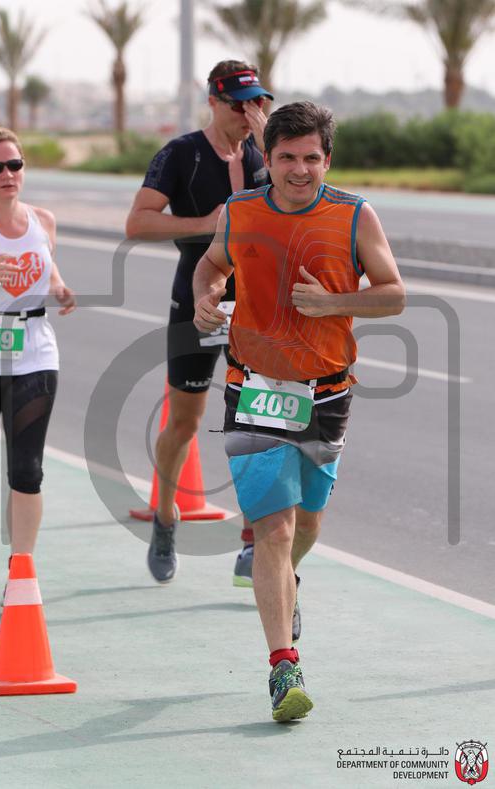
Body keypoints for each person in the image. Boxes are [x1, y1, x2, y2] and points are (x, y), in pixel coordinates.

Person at [193, 101, 406, 721]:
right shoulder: (240, 212)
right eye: (286, 156)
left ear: (327, 160)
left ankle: (286, 583)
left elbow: (393, 294)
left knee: (307, 525)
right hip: (254, 386)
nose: (299, 169)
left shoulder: (354, 215)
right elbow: (211, 265)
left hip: (327, 392)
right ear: (269, 157)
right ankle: (284, 666)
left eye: (311, 157)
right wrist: (207, 296)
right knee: (275, 529)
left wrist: (334, 302)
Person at [126, 60, 272, 585]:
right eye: (239, 104)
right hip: (198, 298)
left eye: (258, 102)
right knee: (185, 421)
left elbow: (303, 200)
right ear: (213, 101)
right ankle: (166, 517)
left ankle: (253, 541)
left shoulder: (268, 154)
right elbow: (138, 222)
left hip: (256, 305)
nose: (249, 113)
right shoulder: (181, 153)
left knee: (256, 421)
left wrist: (269, 145)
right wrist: (205, 224)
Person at [0, 127, 76, 602]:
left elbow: (47, 268)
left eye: (15, 165)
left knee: (27, 470)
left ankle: (21, 571)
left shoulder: (43, 220)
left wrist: (60, 289)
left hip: (34, 354)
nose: (7, 174)